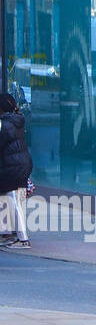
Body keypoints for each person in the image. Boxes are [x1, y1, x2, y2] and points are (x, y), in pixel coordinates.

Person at [0, 93, 33, 249]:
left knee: (11, 197)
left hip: (13, 167)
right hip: (23, 165)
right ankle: (9, 233)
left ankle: (21, 239)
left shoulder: (4, 124)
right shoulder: (17, 121)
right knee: (11, 197)